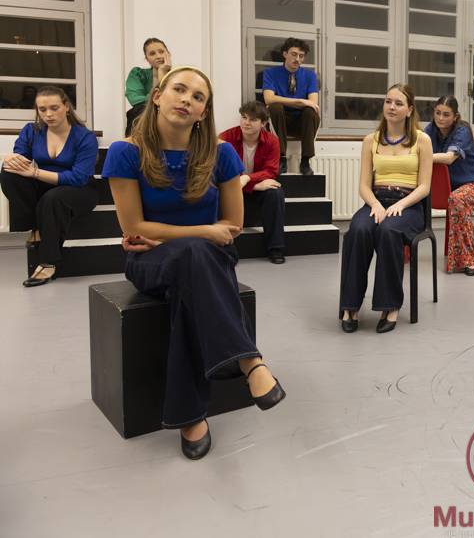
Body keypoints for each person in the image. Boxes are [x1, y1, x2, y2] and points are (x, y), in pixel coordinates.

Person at [102, 66, 286, 460]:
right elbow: (134, 227)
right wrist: (203, 231)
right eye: (179, 90)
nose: (187, 99)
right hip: (150, 261)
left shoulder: (221, 154)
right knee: (194, 253)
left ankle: (190, 415)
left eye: (198, 97)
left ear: (204, 112)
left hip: (209, 258)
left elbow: (232, 225)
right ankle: (248, 360)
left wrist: (179, 235)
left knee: (192, 270)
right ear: (157, 97)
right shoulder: (126, 152)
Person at [339, 84, 432, 334]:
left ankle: (389, 306)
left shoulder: (422, 140)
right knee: (358, 230)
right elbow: (363, 185)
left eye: (399, 103)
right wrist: (376, 204)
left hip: (409, 205)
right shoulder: (371, 140)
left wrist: (400, 204)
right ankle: (350, 306)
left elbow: (424, 186)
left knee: (388, 231)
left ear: (409, 110)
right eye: (388, 101)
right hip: (377, 200)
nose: (392, 107)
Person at [1, 86, 99, 287]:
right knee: (8, 173)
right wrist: (11, 158)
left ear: (66, 107)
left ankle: (48, 261)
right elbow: (20, 159)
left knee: (53, 198)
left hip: (80, 189)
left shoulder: (84, 137)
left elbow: (78, 178)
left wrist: (36, 173)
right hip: (46, 185)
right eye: (42, 109)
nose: (48, 114)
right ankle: (34, 227)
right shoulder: (32, 130)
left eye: (54, 108)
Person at [423, 95, 474, 275]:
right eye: (437, 113)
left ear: (455, 116)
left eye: (446, 114)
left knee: (457, 200)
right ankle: (402, 250)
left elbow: (449, 158)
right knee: (408, 192)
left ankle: (470, 260)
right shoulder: (429, 131)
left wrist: (422, 156)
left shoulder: (462, 131)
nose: (440, 118)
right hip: (449, 189)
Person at [219, 101, 285, 264]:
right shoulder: (225, 138)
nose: (246, 123)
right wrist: (253, 184)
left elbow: (271, 171)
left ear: (263, 123)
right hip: (232, 187)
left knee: (275, 193)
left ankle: (275, 248)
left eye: (253, 119)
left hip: (252, 188)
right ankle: (221, 245)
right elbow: (220, 171)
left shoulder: (272, 141)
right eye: (244, 117)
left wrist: (247, 179)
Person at [262, 37, 319, 176]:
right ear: (285, 54)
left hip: (302, 123)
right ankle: (281, 158)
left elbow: (313, 103)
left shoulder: (310, 75)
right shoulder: (270, 73)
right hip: (280, 122)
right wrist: (300, 101)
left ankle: (305, 161)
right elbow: (268, 99)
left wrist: (303, 103)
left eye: (301, 56)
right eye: (294, 54)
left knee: (310, 111)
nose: (297, 59)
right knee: (275, 107)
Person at [124, 37, 171, 135]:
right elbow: (135, 100)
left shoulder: (178, 77)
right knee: (139, 110)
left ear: (168, 54)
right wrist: (158, 78)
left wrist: (163, 73)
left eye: (161, 52)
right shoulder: (137, 74)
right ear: (147, 59)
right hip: (143, 119)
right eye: (152, 54)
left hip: (170, 118)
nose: (158, 56)